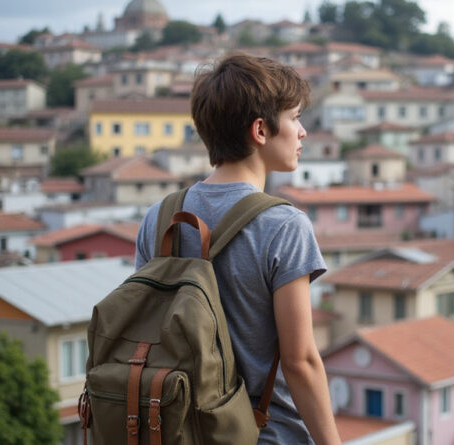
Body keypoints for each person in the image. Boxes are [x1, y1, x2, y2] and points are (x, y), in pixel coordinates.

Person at [134, 53, 341, 444]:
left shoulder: (159, 218)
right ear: (260, 130)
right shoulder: (284, 225)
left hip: (177, 432)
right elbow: (300, 361)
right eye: (295, 117)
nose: (302, 132)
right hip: (266, 434)